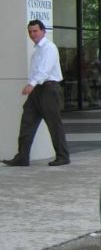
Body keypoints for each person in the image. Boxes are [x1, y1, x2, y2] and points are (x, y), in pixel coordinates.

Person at [3, 20, 70, 167]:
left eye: (35, 31)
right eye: (30, 31)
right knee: (27, 122)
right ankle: (22, 157)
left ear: (43, 31)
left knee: (54, 124)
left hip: (49, 89)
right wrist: (33, 85)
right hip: (38, 90)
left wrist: (31, 84)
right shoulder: (37, 50)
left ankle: (63, 156)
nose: (32, 34)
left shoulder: (49, 48)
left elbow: (44, 70)